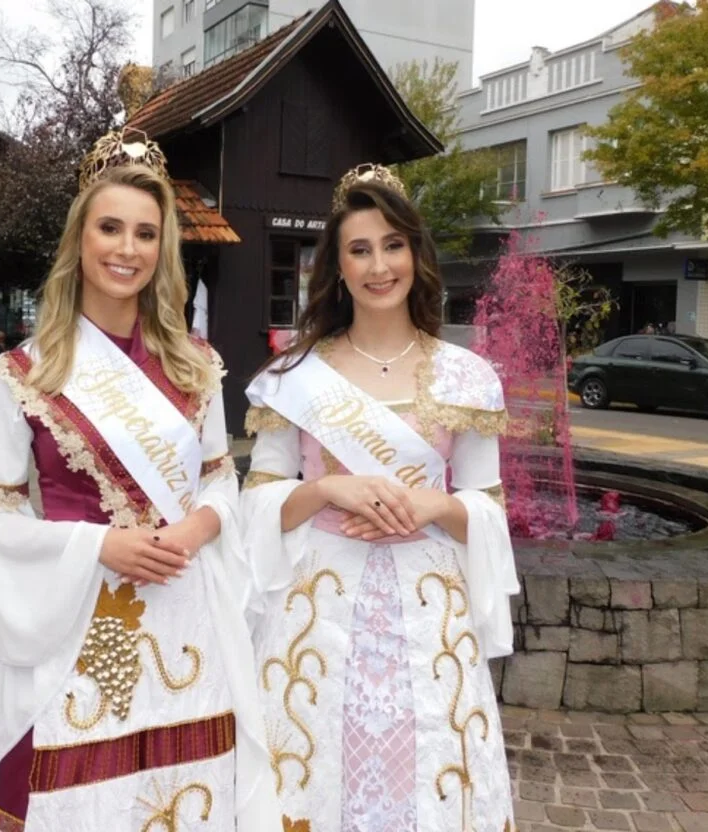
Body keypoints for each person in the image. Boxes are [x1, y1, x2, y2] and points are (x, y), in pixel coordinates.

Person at [0, 132, 279, 831]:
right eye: (110, 228)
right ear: (79, 238)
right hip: (73, 621)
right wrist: (98, 548)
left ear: (163, 246)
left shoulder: (196, 363)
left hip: (185, 611)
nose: (127, 248)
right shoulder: (26, 372)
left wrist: (196, 529)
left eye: (146, 233)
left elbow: (219, 481)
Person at [241, 166, 517, 831]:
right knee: (316, 774)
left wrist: (433, 507)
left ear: (416, 256)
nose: (378, 265)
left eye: (392, 245)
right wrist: (329, 488)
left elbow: (489, 511)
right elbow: (258, 504)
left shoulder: (467, 376)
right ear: (336, 266)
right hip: (318, 611)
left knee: (429, 773)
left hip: (430, 611)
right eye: (359, 249)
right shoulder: (291, 377)